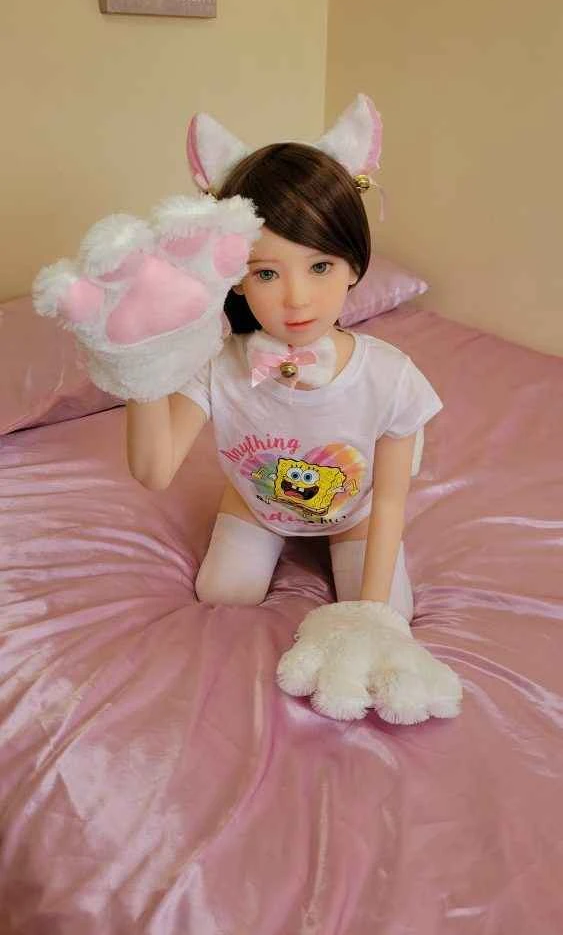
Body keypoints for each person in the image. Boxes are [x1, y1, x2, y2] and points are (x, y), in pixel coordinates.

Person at [33, 95, 462, 723]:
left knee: (392, 615)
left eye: (320, 266)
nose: (297, 298)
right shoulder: (218, 364)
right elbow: (154, 470)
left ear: (353, 265)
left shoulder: (391, 377)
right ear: (235, 277)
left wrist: (373, 615)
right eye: (266, 273)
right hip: (255, 507)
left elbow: (392, 500)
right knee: (221, 594)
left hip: (357, 516)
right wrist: (141, 369)